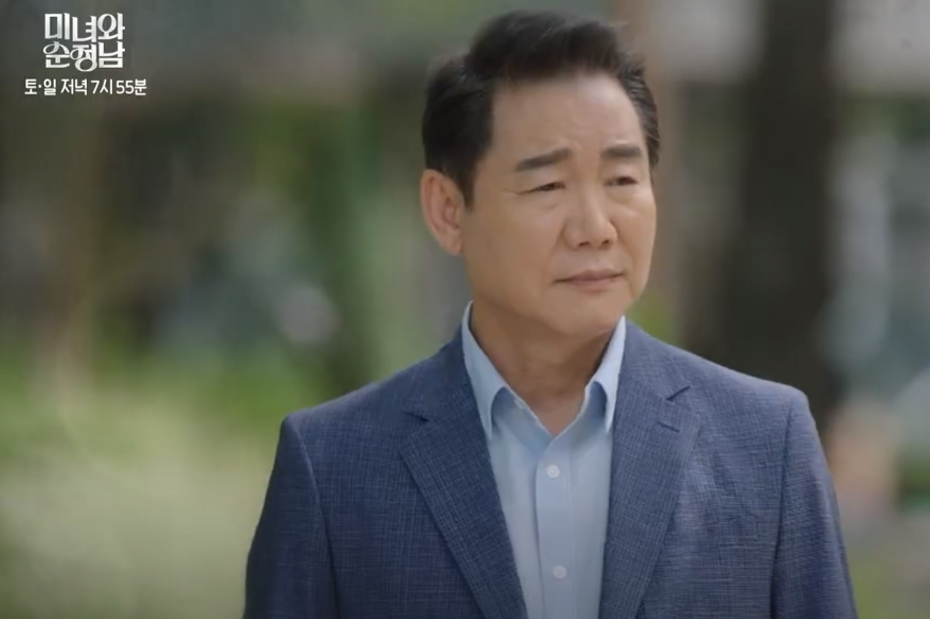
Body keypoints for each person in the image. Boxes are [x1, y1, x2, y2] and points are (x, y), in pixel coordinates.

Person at [244, 10, 858, 619]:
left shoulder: (766, 444)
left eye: (622, 179)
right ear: (449, 210)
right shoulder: (333, 468)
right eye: (547, 187)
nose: (595, 228)